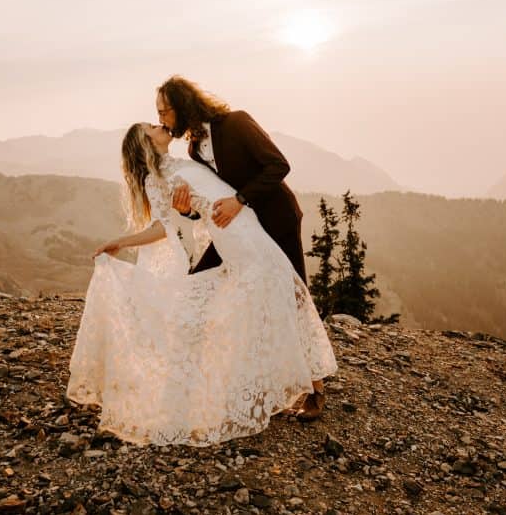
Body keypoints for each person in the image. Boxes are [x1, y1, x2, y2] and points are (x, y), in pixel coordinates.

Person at [66, 122, 337, 447]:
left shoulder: (187, 162)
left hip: (252, 232)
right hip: (237, 244)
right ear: (147, 144)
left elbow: (211, 193)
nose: (158, 124)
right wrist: (122, 242)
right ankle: (296, 388)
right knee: (269, 297)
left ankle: (295, 387)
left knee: (279, 296)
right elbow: (162, 228)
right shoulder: (159, 179)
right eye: (151, 127)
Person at [155, 76, 327, 420]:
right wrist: (186, 210)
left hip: (275, 219)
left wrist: (240, 199)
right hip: (237, 231)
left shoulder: (237, 123)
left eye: (164, 111)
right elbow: (208, 200)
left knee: (293, 295)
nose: (161, 119)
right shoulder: (192, 150)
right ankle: (211, 381)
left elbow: (279, 166)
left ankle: (316, 390)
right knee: (199, 282)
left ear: (182, 106)